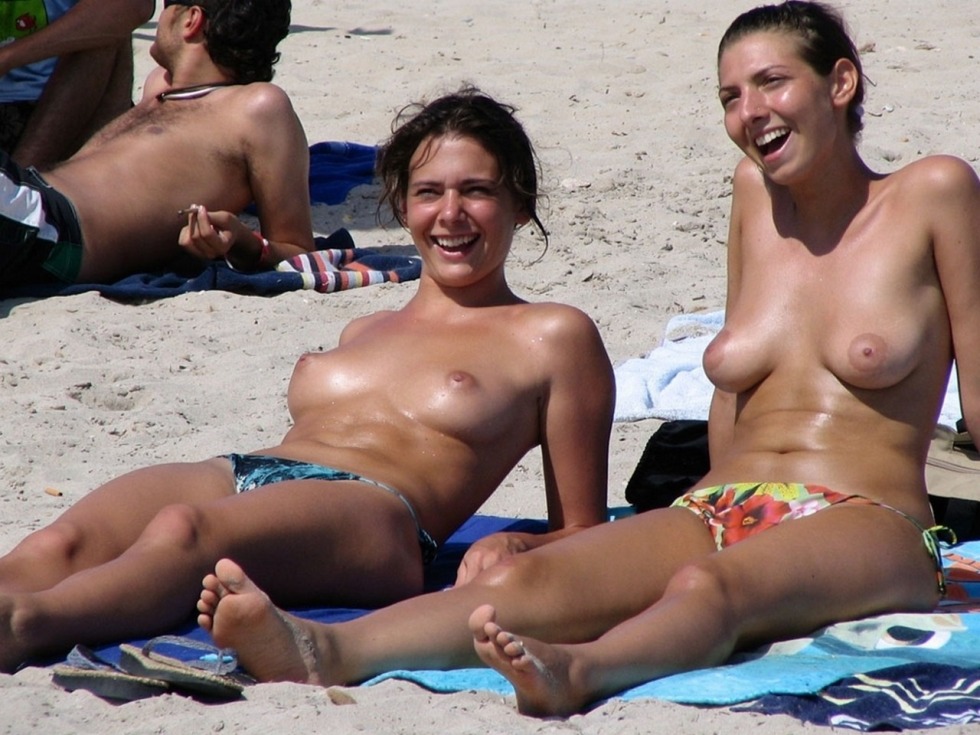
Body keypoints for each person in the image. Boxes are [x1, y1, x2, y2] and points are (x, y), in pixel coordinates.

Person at [195, 0, 980, 718]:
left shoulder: (932, 193)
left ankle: (585, 671)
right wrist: (682, 508)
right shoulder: (755, 196)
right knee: (530, 583)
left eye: (771, 83)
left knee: (708, 588)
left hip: (868, 516)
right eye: (730, 97)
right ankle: (323, 648)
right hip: (722, 500)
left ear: (840, 81)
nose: (750, 113)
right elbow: (738, 386)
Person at [0, 86, 614, 673]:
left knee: (184, 530)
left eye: (476, 191)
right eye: (429, 192)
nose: (450, 214)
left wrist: (521, 544)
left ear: (520, 203)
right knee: (61, 545)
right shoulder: (364, 329)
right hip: (260, 471)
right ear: (403, 204)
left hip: (380, 515)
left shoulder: (553, 335)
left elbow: (583, 529)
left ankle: (30, 624)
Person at [0, 0, 314, 289]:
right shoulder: (159, 90)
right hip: (22, 195)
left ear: (191, 19)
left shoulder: (256, 107)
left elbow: (298, 250)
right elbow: (106, 26)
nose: (159, 15)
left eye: (166, 5)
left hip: (47, 225)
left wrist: (243, 241)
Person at [0, 0, 154, 169]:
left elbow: (133, 6)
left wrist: (8, 58)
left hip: (64, 95)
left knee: (105, 26)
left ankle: (26, 175)